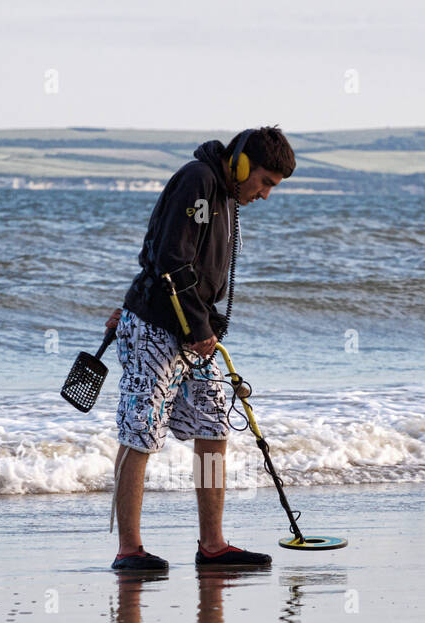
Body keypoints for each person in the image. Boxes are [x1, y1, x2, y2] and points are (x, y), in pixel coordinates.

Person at [105, 126, 296, 573]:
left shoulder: (226, 195)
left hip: (195, 333)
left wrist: (202, 328)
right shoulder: (198, 180)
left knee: (214, 430)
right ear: (243, 163)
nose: (266, 194)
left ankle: (213, 545)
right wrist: (195, 326)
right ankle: (128, 549)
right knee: (141, 432)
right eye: (265, 181)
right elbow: (171, 260)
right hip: (156, 326)